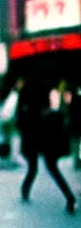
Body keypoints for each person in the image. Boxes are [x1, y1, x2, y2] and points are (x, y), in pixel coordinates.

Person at [19, 82, 77, 214]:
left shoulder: (32, 97)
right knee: (48, 168)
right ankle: (69, 197)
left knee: (37, 167)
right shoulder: (48, 92)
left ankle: (25, 190)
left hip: (40, 138)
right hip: (46, 138)